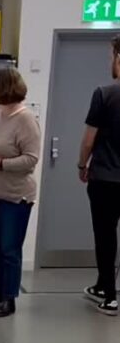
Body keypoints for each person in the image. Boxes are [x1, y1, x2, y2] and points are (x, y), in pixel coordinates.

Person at [0, 68, 40, 318]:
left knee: (10, 249)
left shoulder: (25, 119)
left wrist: (1, 165)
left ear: (3, 88)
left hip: (15, 197)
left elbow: (31, 160)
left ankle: (9, 298)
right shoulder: (1, 115)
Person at [79, 35, 120, 316]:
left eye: (112, 56)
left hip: (106, 178)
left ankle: (109, 295)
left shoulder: (105, 94)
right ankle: (100, 285)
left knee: (105, 236)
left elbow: (88, 140)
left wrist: (82, 165)